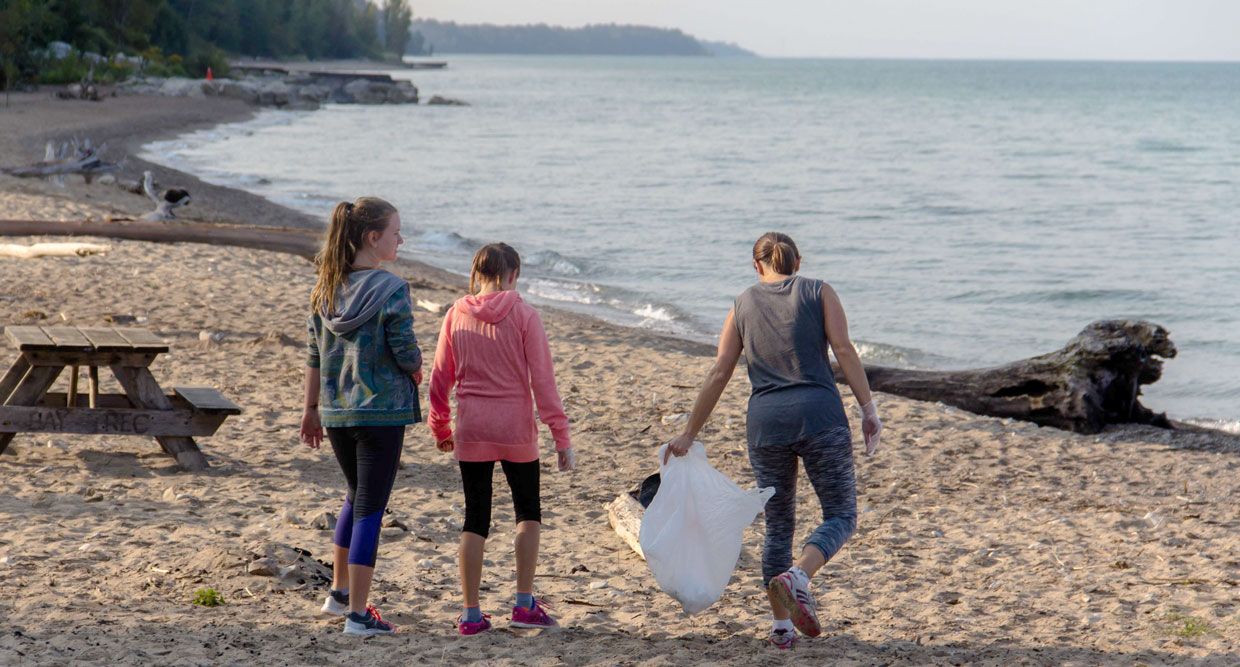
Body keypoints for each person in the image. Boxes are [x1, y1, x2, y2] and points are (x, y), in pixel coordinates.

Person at [664, 232, 882, 649]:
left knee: (778, 525)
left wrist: (689, 433)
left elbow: (720, 371)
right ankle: (799, 576)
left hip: (766, 426)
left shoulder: (741, 304)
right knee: (841, 514)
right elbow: (844, 349)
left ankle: (781, 628)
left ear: (756, 265)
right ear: (797, 262)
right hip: (819, 417)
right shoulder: (819, 292)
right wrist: (868, 409)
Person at [428, 242, 576, 636]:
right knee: (528, 512)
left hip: (473, 426)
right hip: (514, 428)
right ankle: (524, 604)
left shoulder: (455, 314)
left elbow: (439, 380)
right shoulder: (525, 314)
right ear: (513, 275)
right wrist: (561, 437)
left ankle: (471, 614)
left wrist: (441, 428)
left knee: (475, 517)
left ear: (478, 274)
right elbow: (543, 383)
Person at [300, 197, 423, 637]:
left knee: (355, 496)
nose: (400, 239)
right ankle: (358, 614)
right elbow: (405, 349)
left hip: (334, 411)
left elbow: (314, 355)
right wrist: (415, 367)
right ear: (374, 238)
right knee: (370, 506)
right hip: (381, 412)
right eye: (395, 233)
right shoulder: (391, 289)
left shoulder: (325, 288)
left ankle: (337, 594)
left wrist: (310, 409)